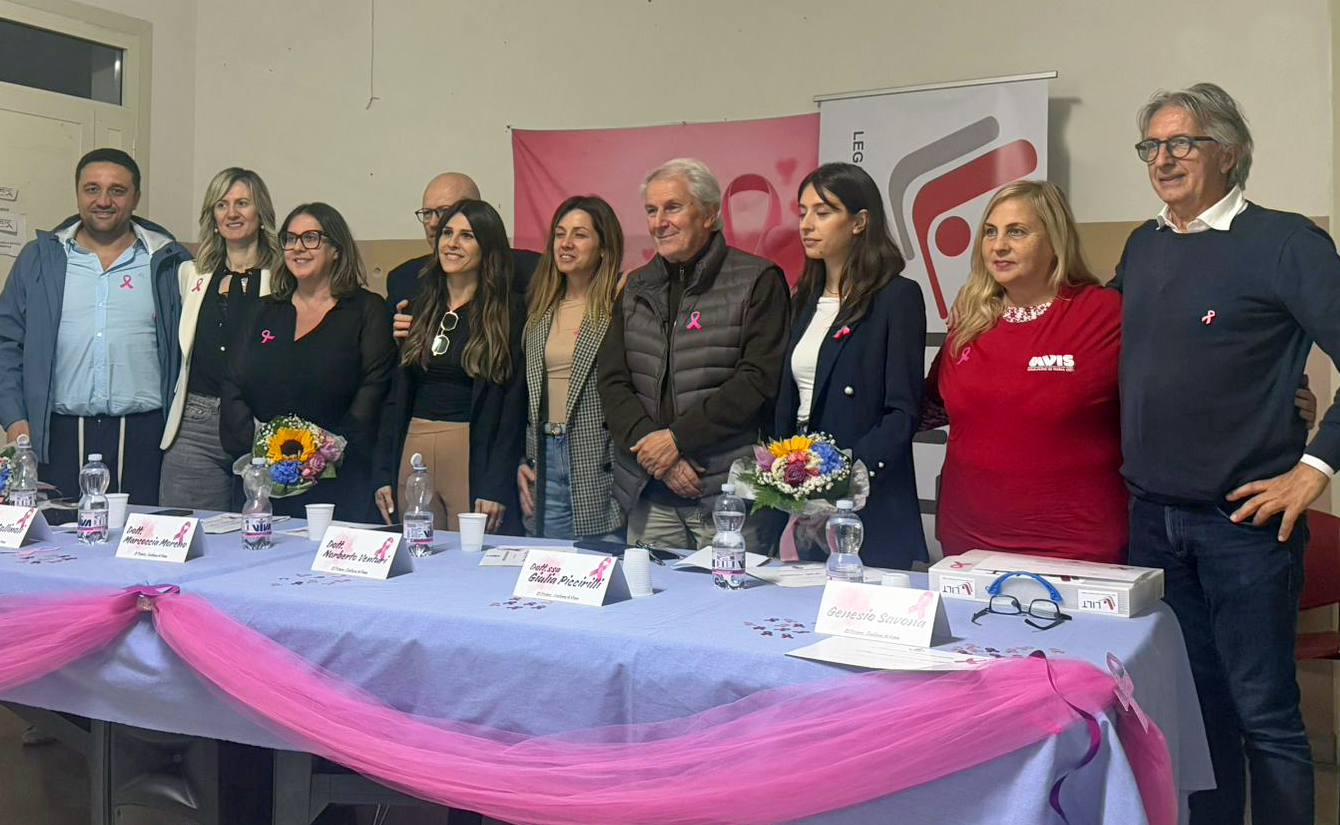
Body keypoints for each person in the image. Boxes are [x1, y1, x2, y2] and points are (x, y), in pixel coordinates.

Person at [1116, 82, 1340, 825]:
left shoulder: (1285, 243)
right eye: (1152, 145)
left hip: (1244, 526)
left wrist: (1313, 469)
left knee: (1264, 716)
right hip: (1153, 522)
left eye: (1183, 142)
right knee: (1197, 711)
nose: (1163, 159)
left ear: (1230, 152)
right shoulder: (1144, 245)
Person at [925, 180, 1126, 564]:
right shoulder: (969, 319)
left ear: (1055, 241)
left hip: (1077, 547)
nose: (998, 245)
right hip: (969, 543)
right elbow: (930, 405)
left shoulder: (1104, 313)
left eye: (1016, 232)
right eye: (990, 232)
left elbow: (1160, 412)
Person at [597, 158, 790, 550]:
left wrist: (677, 440)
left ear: (709, 214)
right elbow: (612, 380)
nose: (659, 222)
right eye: (651, 210)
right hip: (649, 495)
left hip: (727, 498)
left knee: (730, 593)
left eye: (672, 207)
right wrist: (659, 454)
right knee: (646, 593)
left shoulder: (757, 279)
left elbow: (757, 381)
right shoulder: (634, 286)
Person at [0, 148, 190, 505]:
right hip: (55, 433)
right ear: (77, 193)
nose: (103, 201)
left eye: (117, 190)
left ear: (136, 197)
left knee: (139, 536)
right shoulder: (38, 259)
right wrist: (13, 417)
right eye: (92, 189)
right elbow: (6, 343)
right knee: (57, 535)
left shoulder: (171, 263)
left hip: (147, 435)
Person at [774, 163, 927, 569]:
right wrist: (787, 479)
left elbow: (902, 412)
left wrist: (841, 479)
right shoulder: (801, 301)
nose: (807, 224)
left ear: (859, 222)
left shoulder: (896, 298)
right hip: (799, 496)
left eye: (823, 212)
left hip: (866, 500)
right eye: (802, 212)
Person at [220, 203, 394, 522]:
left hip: (340, 481)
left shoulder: (366, 310)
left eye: (311, 238)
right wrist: (263, 449)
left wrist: (324, 452)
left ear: (336, 249)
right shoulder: (262, 310)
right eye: (290, 239)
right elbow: (233, 383)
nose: (298, 248)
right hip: (265, 481)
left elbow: (374, 387)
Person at [374, 199, 525, 535]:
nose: (452, 243)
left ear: (488, 246)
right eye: (447, 233)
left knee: (469, 558)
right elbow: (394, 397)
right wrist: (382, 471)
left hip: (469, 450)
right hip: (413, 446)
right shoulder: (416, 308)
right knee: (417, 552)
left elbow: (512, 405)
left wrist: (495, 484)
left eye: (467, 236)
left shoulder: (508, 312)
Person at [159, 168, 280, 510]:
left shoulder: (283, 277)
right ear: (212, 216)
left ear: (261, 213)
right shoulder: (191, 274)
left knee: (261, 528)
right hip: (195, 422)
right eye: (222, 205)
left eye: (243, 203)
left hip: (262, 421)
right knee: (187, 526)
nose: (232, 213)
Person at [517, 196, 625, 540]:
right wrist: (522, 458)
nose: (565, 243)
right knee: (550, 561)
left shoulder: (620, 304)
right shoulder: (539, 308)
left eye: (579, 235)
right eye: (560, 234)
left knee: (599, 558)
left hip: (598, 458)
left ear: (604, 247)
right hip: (544, 455)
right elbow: (525, 395)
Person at [385, 172, 540, 325]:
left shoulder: (530, 271)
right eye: (427, 213)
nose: (433, 223)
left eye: (445, 211)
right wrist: (405, 336)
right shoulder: (404, 279)